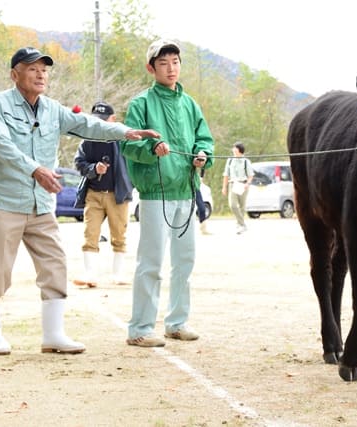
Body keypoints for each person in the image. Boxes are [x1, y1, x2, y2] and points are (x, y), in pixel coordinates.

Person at [0, 46, 159, 355]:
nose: (40, 74)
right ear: (14, 74)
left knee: (55, 265)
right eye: (32, 68)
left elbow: (90, 125)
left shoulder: (52, 109)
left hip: (41, 205)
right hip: (3, 202)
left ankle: (53, 335)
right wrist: (35, 169)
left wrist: (127, 131)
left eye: (44, 69)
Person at [119, 39, 214, 347]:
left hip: (186, 190)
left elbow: (205, 138)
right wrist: (151, 148)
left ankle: (177, 322)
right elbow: (128, 143)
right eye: (163, 63)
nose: (171, 68)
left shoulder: (191, 104)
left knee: (185, 261)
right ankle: (140, 329)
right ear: (151, 68)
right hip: (154, 193)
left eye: (175, 62)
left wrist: (203, 154)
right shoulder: (141, 103)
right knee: (151, 262)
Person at [73, 101, 133, 287]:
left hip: (119, 195)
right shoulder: (88, 139)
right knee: (90, 235)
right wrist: (93, 168)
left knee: (119, 236)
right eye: (97, 120)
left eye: (104, 120)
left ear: (113, 119)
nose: (100, 124)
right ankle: (90, 275)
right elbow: (79, 162)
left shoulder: (124, 138)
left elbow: (136, 162)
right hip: (94, 193)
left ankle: (118, 274)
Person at [221, 142, 254, 234]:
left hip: (243, 184)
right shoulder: (230, 160)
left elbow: (250, 175)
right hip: (233, 184)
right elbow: (226, 175)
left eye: (235, 148)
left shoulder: (246, 161)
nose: (233, 149)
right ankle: (242, 224)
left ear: (239, 150)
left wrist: (247, 183)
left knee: (242, 206)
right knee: (233, 205)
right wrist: (224, 187)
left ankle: (240, 225)